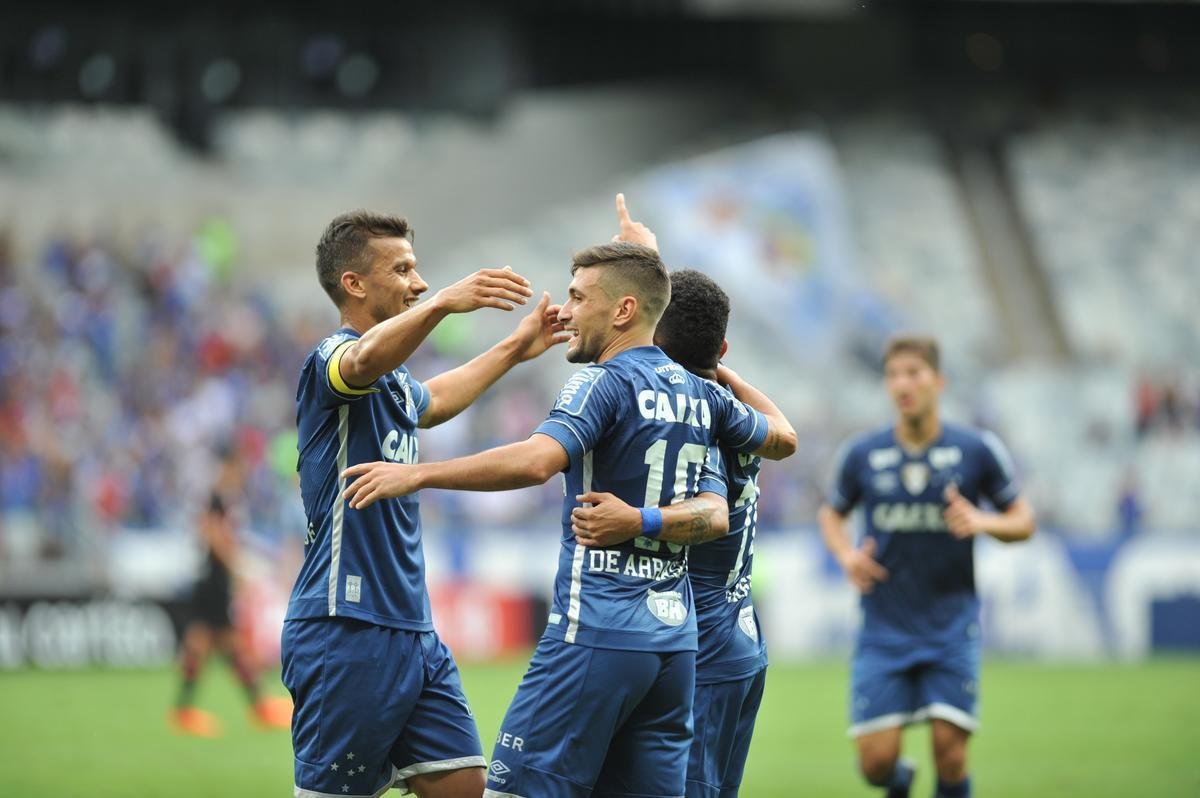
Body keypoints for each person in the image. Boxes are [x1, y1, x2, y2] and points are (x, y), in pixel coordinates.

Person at [341, 209, 797, 798]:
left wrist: (418, 473)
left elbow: (536, 461)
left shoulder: (600, 382)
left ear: (624, 311)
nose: (566, 311)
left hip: (596, 629)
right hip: (675, 649)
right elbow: (755, 469)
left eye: (580, 297)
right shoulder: (704, 396)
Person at [282, 210, 567, 798]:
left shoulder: (392, 381)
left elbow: (432, 401)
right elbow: (361, 363)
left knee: (464, 785)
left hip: (412, 629)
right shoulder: (332, 358)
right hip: (346, 625)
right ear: (354, 284)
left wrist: (515, 346)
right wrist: (439, 305)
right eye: (403, 269)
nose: (417, 281)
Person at [569, 268, 783, 798]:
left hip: (701, 645)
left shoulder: (693, 423)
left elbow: (710, 517)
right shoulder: (734, 415)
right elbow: (785, 432)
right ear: (723, 349)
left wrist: (634, 520)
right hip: (740, 641)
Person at [817, 335, 1036, 798]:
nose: (902, 384)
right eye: (894, 375)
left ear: (938, 381)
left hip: (949, 626)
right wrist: (846, 555)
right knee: (876, 765)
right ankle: (899, 783)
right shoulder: (862, 454)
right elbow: (831, 514)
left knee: (950, 752)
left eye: (913, 373)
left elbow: (1024, 522)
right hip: (883, 628)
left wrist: (981, 520)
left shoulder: (976, 449)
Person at [169, 447, 292, 738]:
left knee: (221, 644)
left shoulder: (223, 498)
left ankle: (252, 706)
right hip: (213, 580)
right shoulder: (216, 497)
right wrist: (235, 566)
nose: (241, 474)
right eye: (237, 468)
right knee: (215, 643)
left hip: (214, 579)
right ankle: (254, 707)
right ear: (227, 467)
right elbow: (212, 535)